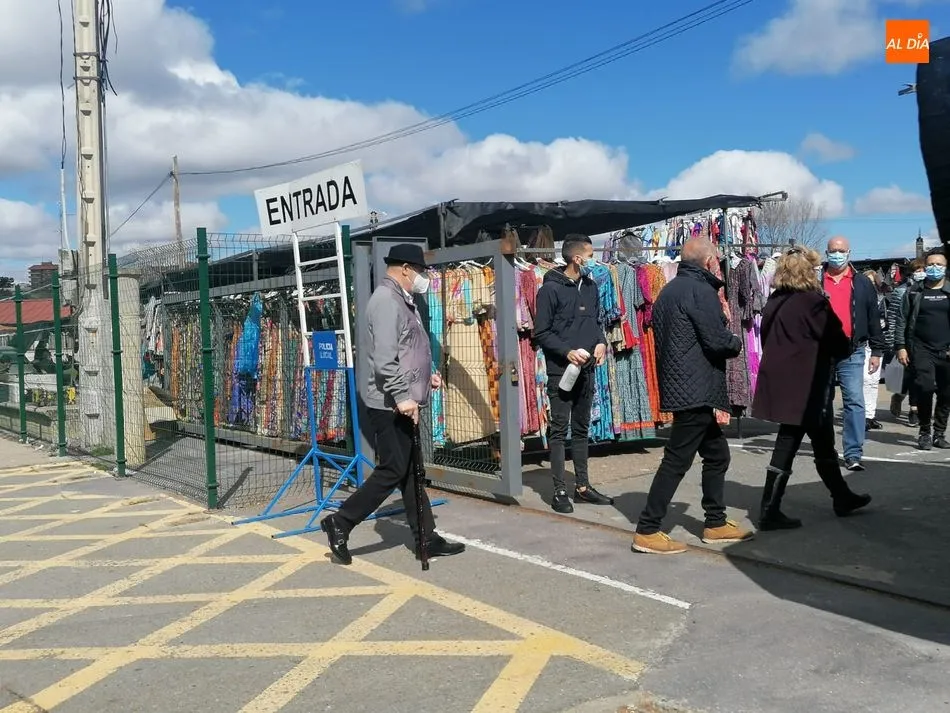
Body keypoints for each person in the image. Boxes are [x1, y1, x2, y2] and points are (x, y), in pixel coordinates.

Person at [321, 243, 465, 565]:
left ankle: (426, 538)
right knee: (394, 469)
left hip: (401, 399)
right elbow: (385, 360)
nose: (423, 277)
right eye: (420, 271)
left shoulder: (401, 298)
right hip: (390, 403)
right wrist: (402, 396)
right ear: (405, 269)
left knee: (411, 471)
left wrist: (425, 377)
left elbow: (406, 348)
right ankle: (341, 521)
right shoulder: (387, 300)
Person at [631, 237, 751, 555]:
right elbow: (716, 340)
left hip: (685, 385)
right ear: (708, 261)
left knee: (717, 454)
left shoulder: (670, 290)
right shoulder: (700, 291)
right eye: (717, 257)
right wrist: (736, 342)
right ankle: (647, 529)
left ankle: (715, 522)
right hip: (695, 388)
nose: (719, 262)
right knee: (676, 459)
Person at [751, 248, 872, 530]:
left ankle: (841, 496)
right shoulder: (813, 302)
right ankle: (770, 510)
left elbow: (767, 338)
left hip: (786, 383)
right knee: (791, 443)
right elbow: (837, 341)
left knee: (819, 441)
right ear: (807, 271)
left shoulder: (775, 301)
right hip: (808, 386)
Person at [533, 234, 614, 513]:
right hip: (561, 371)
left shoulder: (590, 286)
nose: (594, 260)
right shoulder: (550, 290)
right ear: (577, 258)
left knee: (582, 429)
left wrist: (601, 342)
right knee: (559, 430)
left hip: (587, 369)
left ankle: (582, 487)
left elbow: (595, 322)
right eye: (590, 255)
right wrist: (567, 352)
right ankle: (559, 491)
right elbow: (541, 332)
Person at [818, 236, 887, 471]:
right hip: (821, 351)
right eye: (833, 250)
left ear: (849, 253)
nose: (837, 254)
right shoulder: (816, 280)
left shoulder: (861, 282)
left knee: (855, 401)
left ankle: (853, 453)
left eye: (841, 250)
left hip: (852, 351)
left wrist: (877, 349)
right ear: (826, 252)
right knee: (823, 402)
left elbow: (873, 317)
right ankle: (825, 449)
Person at [894, 247, 950, 450]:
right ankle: (925, 431)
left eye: (939, 264)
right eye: (931, 264)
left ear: (946, 267)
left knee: (946, 393)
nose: (935, 267)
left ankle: (939, 433)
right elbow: (902, 319)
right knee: (925, 388)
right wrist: (900, 346)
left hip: (946, 350)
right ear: (925, 267)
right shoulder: (914, 291)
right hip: (920, 348)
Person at [888, 259, 925, 425]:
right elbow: (894, 317)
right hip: (908, 341)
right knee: (911, 376)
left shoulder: (932, 290)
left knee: (922, 377)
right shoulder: (901, 291)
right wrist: (895, 344)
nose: (920, 273)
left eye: (923, 269)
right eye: (917, 270)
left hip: (927, 340)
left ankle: (910, 403)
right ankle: (911, 407)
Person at [862, 269, 887, 431]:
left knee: (872, 380)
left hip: (877, 344)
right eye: (866, 282)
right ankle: (861, 415)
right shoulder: (856, 299)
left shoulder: (882, 300)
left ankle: (870, 415)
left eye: (872, 282)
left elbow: (887, 321)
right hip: (861, 344)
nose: (869, 285)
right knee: (864, 380)